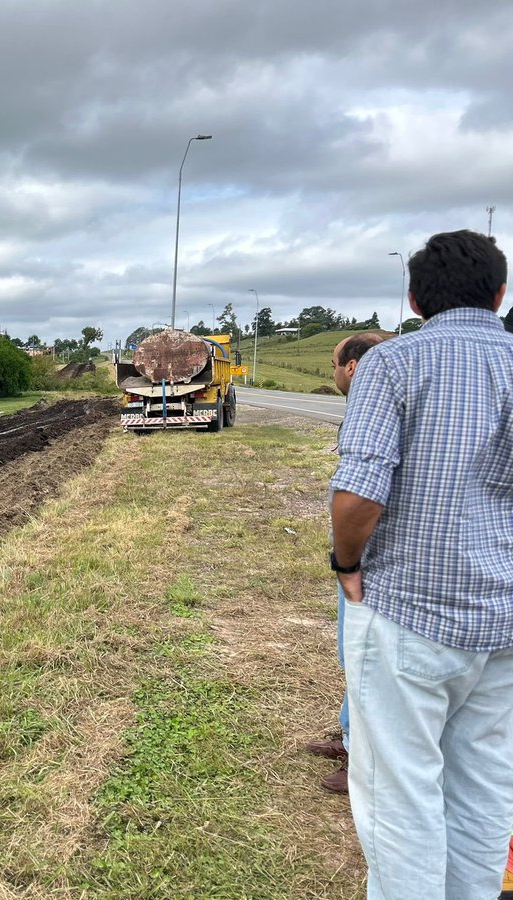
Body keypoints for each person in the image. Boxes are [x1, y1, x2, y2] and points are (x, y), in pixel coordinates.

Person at [330, 229, 513, 898]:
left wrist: (345, 563)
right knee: (485, 787)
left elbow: (358, 494)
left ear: (413, 299)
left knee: (400, 796)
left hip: (407, 614)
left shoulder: (392, 364)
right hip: (503, 624)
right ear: (500, 294)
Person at [304, 331, 389, 794]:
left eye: (334, 363)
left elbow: (358, 495)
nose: (332, 371)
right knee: (354, 652)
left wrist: (347, 562)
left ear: (352, 366)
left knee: (364, 653)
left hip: (374, 557)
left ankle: (363, 758)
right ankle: (350, 733)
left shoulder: (374, 410)